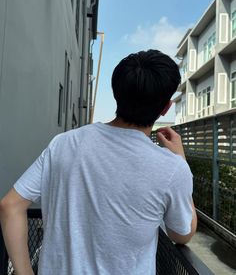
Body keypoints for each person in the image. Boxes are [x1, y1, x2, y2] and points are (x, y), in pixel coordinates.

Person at [0, 49, 197, 275]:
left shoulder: (64, 143)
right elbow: (181, 233)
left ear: (116, 93)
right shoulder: (172, 168)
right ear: (165, 109)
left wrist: (24, 272)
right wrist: (181, 160)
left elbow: (10, 205)